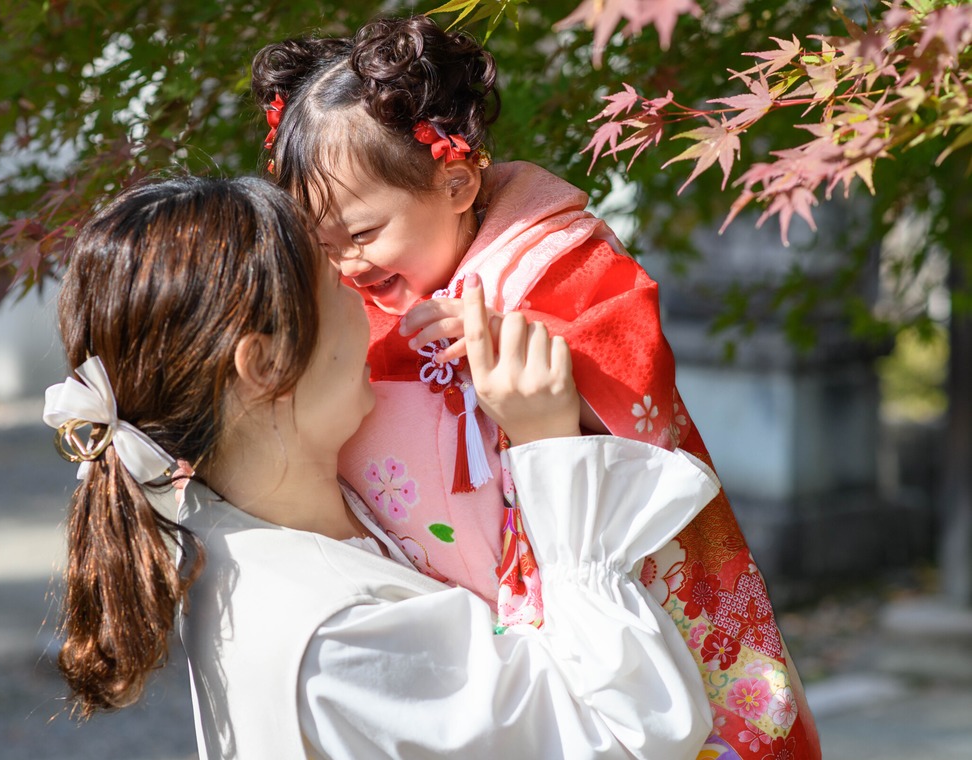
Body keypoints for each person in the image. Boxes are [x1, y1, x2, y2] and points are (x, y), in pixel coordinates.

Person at [251, 14, 820, 758]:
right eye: (321, 245)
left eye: (361, 235)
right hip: (465, 598)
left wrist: (522, 354)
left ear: (455, 182)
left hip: (599, 566)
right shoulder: (352, 302)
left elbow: (636, 385)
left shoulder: (553, 260)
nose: (346, 266)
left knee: (672, 714)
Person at [42, 173, 722, 758]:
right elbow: (634, 733)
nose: (361, 298)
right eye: (330, 279)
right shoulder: (339, 632)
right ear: (265, 363)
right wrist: (552, 451)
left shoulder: (253, 538)